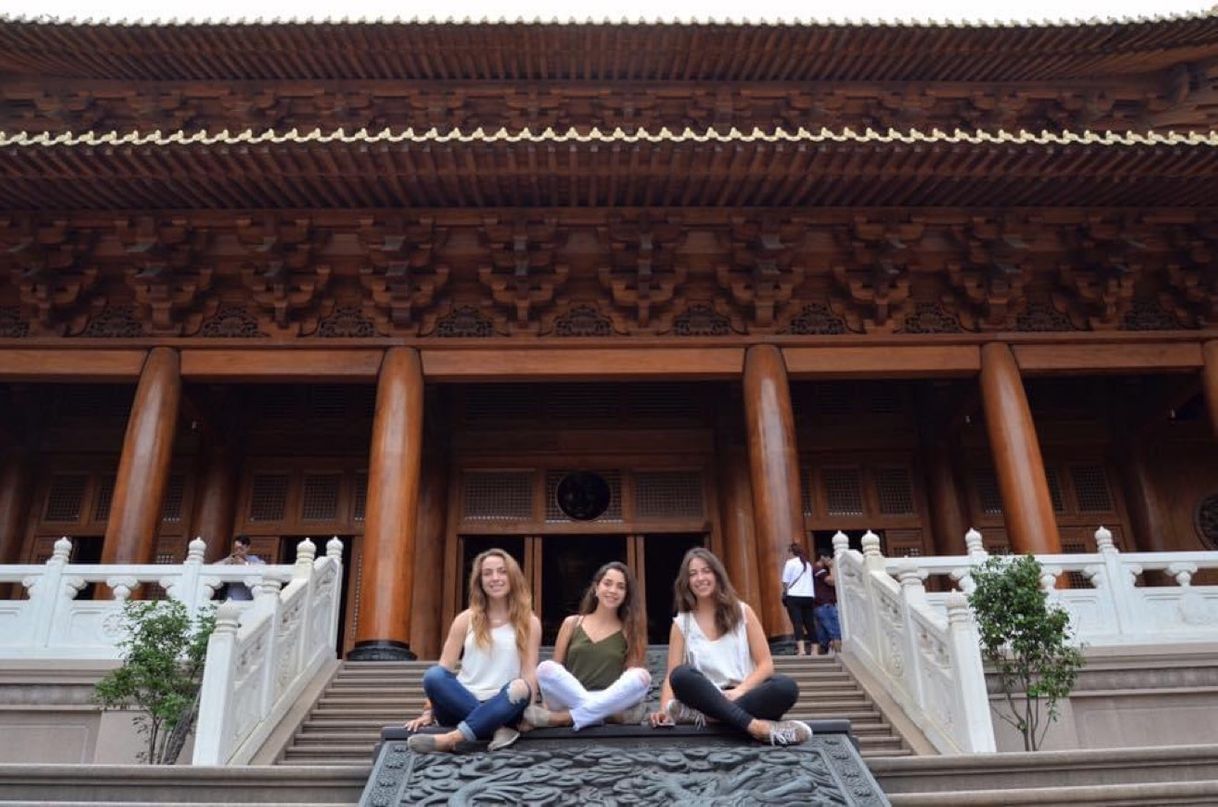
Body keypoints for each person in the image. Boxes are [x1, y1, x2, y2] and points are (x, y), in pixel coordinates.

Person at [649, 547, 812, 746]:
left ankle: (708, 718)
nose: (700, 578)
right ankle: (758, 728)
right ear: (687, 582)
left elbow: (766, 665)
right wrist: (664, 709)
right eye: (693, 574)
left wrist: (741, 690)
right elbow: (671, 676)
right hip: (705, 696)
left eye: (706, 571)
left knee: (786, 687)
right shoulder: (682, 623)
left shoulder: (743, 612)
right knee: (681, 675)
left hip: (744, 693)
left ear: (717, 575)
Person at [405, 549, 541, 753]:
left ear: (512, 577)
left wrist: (529, 711)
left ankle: (452, 738)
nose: (495, 578)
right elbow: (445, 667)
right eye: (487, 573)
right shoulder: (465, 619)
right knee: (433, 675)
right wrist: (428, 712)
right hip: (460, 702)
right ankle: (496, 727)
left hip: (504, 703)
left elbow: (529, 671)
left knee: (521, 687)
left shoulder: (529, 622)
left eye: (502, 571)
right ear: (480, 580)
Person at [523, 561, 651, 731]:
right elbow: (556, 670)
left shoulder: (629, 631)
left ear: (626, 595)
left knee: (640, 676)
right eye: (607, 583)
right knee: (546, 668)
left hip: (610, 699)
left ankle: (566, 718)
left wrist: (565, 715)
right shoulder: (572, 623)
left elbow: (630, 681)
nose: (613, 590)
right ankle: (609, 716)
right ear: (596, 588)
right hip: (568, 698)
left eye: (621, 587)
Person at [781, 542, 816, 656]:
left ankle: (802, 650)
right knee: (810, 623)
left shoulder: (790, 563)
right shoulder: (808, 564)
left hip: (794, 596)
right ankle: (815, 650)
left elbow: (785, 582)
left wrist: (785, 591)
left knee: (797, 623)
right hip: (808, 596)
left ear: (791, 552)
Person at [219, 535, 265, 601]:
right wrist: (225, 561)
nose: (238, 551)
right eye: (236, 549)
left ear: (248, 548)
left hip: (245, 598)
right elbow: (212, 567)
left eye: (241, 548)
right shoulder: (231, 558)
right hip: (230, 598)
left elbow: (263, 567)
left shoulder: (253, 559)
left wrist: (244, 564)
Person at [813, 554, 841, 655]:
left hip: (819, 606)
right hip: (825, 605)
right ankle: (840, 657)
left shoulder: (816, 570)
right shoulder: (818, 569)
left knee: (823, 639)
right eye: (828, 558)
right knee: (836, 634)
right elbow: (832, 581)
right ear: (822, 557)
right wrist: (832, 567)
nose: (830, 560)